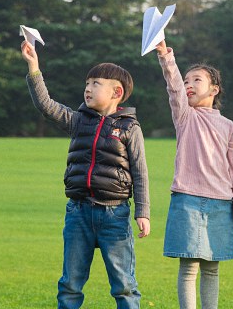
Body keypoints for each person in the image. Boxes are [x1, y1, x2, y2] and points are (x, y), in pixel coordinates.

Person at [21, 40, 150, 309]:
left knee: (124, 286)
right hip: (78, 213)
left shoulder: (129, 128)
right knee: (70, 284)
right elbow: (46, 105)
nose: (88, 89)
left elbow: (140, 171)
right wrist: (34, 66)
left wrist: (143, 211)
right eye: (87, 83)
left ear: (117, 91)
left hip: (114, 216)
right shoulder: (78, 120)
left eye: (96, 83)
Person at [151, 39, 233, 309]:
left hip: (220, 202)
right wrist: (165, 57)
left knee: (212, 268)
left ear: (214, 89)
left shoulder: (228, 126)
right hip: (187, 200)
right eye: (186, 80)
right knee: (189, 267)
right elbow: (173, 89)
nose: (188, 84)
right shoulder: (185, 116)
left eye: (196, 79)